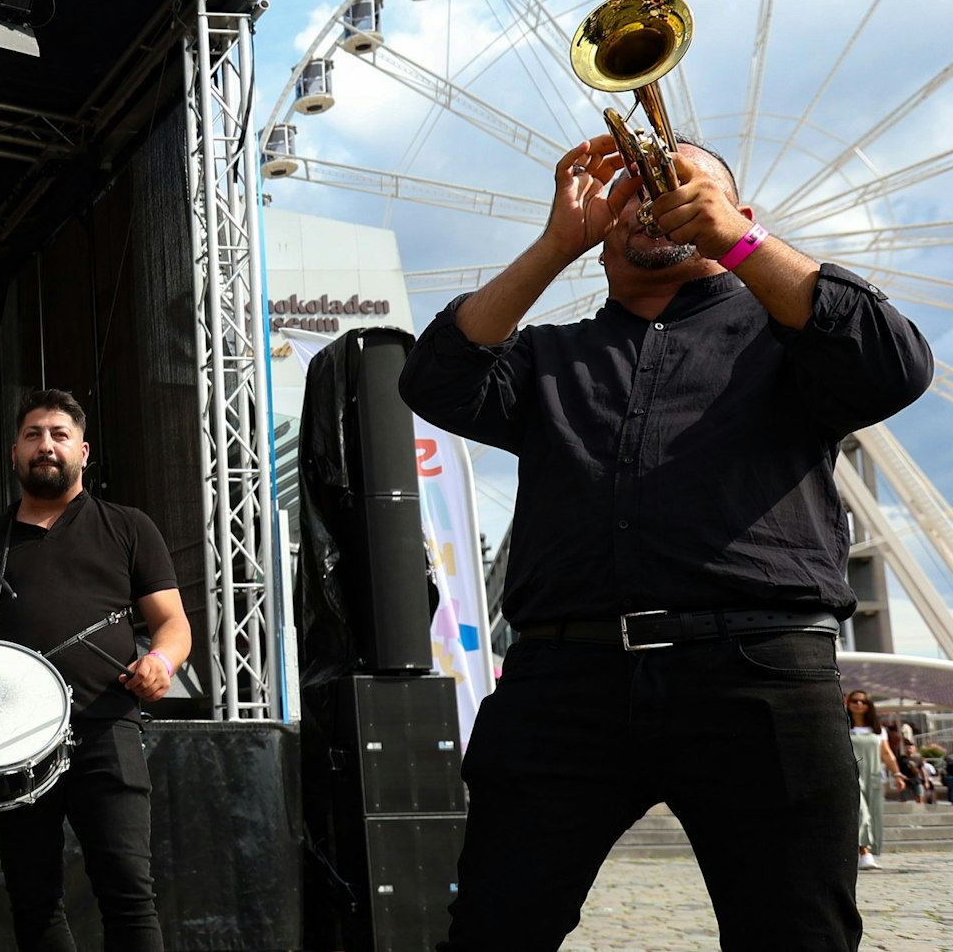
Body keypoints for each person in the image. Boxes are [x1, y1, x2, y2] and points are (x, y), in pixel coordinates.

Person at [399, 130, 933, 950]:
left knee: (796, 933)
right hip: (561, 680)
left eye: (684, 185)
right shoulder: (546, 358)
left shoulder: (791, 341)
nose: (656, 198)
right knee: (493, 927)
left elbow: (894, 364)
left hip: (756, 672)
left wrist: (740, 243)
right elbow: (435, 376)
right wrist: (552, 245)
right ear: (603, 236)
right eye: (636, 192)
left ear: (737, 213)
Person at [0, 388, 192, 952]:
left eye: (58, 435)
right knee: (34, 903)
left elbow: (173, 623)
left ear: (83, 450)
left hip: (107, 729)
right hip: (13, 740)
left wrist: (159, 660)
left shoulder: (128, 527)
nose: (45, 446)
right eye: (32, 435)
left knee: (128, 893)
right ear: (13, 453)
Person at [846, 691, 901, 871]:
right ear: (848, 703)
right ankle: (864, 852)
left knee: (874, 813)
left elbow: (886, 754)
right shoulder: (843, 727)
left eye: (863, 702)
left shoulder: (878, 731)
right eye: (855, 701)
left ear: (869, 705)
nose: (859, 704)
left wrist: (897, 774)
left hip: (874, 776)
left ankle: (866, 850)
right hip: (851, 775)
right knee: (862, 812)